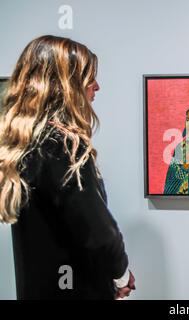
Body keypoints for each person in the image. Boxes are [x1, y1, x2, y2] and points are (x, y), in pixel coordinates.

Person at [0, 35, 135, 299]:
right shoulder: (62, 145)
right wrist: (121, 274)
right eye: (88, 78)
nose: (96, 87)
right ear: (65, 85)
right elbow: (99, 233)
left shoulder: (26, 144)